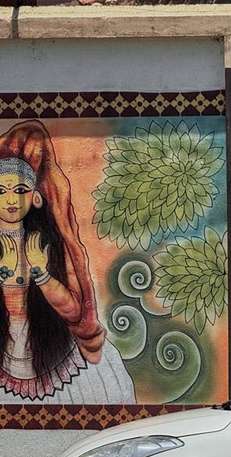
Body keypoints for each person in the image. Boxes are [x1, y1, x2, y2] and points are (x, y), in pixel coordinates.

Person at [0, 120, 134, 403]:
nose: (11, 199)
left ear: (36, 197)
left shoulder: (45, 243)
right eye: (2, 191)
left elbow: (73, 312)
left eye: (20, 190)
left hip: (51, 351)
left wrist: (41, 273)